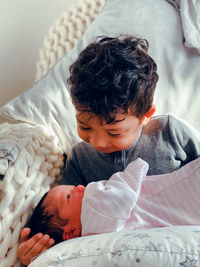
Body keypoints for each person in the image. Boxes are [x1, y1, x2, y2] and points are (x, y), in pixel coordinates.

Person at [17, 34, 200, 265]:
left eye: (114, 133)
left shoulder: (170, 133)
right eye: (84, 126)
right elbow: (64, 228)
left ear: (145, 116)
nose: (98, 142)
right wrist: (36, 251)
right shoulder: (80, 160)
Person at [29, 157, 200, 251]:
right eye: (68, 196)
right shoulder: (95, 203)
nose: (80, 187)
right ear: (71, 232)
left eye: (73, 187)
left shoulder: (92, 244)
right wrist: (135, 167)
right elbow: (123, 193)